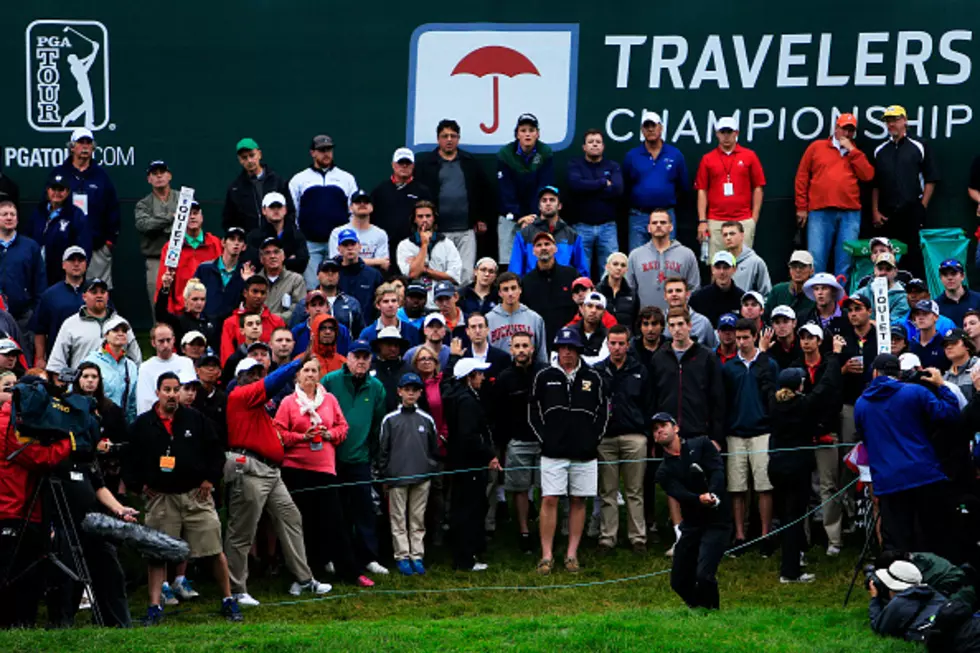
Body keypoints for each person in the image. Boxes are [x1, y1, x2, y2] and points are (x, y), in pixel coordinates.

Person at [124, 372, 242, 624]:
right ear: (157, 393)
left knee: (214, 550)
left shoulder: (195, 419)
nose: (171, 394)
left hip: (195, 496)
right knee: (157, 553)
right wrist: (140, 485)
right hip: (161, 498)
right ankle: (154, 606)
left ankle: (228, 600)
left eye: (175, 389)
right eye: (166, 389)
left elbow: (216, 452)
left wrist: (210, 479)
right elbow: (129, 460)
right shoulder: (142, 425)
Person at [224, 355, 330, 606]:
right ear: (239, 379)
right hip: (249, 467)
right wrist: (297, 363)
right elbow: (272, 383)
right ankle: (236, 589)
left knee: (291, 517)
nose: (258, 377)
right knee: (241, 531)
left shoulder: (258, 408)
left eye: (260, 372)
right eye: (252, 373)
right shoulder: (239, 397)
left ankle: (303, 580)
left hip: (271, 471)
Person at [275, 355, 372, 587]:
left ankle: (348, 571)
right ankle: (308, 573)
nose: (310, 375)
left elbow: (342, 427)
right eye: (305, 371)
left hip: (325, 468)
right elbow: (278, 434)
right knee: (304, 522)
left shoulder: (329, 400)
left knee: (336, 522)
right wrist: (301, 437)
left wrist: (330, 435)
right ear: (297, 375)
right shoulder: (289, 402)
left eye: (314, 371)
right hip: (296, 469)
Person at [854, 353, 960, 555]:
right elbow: (949, 415)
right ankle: (932, 580)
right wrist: (942, 386)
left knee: (897, 542)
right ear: (899, 373)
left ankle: (899, 582)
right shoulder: (915, 392)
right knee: (932, 537)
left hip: (888, 479)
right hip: (923, 473)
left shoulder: (862, 403)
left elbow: (865, 438)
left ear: (875, 373)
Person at [529, 328, 607, 575]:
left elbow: (604, 412)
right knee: (550, 498)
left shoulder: (594, 377)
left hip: (585, 452)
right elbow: (533, 412)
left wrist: (593, 440)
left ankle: (572, 554)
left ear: (578, 351)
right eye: (562, 348)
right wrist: (545, 439)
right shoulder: (544, 376)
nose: (566, 352)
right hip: (553, 452)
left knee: (578, 500)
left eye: (571, 348)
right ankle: (547, 555)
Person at [769, 357, 841, 586]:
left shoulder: (773, 403)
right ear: (799, 385)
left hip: (776, 466)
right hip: (796, 468)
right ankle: (789, 572)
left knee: (786, 516)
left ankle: (795, 557)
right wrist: (834, 358)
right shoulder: (803, 405)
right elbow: (825, 386)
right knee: (794, 518)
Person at [321, 340, 390, 577]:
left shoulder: (376, 387)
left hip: (360, 458)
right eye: (356, 356)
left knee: (364, 510)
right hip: (331, 459)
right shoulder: (330, 381)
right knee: (333, 511)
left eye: (365, 357)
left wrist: (368, 452)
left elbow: (377, 423)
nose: (361, 361)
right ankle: (330, 556)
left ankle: (369, 557)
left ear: (370, 360)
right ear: (347, 358)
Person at [653, 413, 730, 610]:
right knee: (678, 581)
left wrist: (713, 494)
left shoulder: (702, 444)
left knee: (704, 575)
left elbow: (717, 470)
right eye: (655, 429)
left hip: (717, 522)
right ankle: (699, 609)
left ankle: (713, 612)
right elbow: (678, 493)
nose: (659, 430)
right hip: (692, 524)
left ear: (676, 428)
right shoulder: (663, 471)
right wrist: (698, 499)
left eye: (663, 425)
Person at [594, 325, 653, 554]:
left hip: (634, 437)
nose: (617, 348)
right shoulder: (598, 371)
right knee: (607, 491)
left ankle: (638, 537)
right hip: (606, 438)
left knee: (634, 490)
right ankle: (608, 538)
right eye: (613, 343)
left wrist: (646, 433)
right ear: (607, 344)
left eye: (621, 343)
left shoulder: (640, 370)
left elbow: (649, 403)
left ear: (628, 345)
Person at [722, 318, 779, 554]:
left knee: (764, 485)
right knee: (737, 487)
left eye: (746, 337)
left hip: (762, 431)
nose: (742, 342)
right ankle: (739, 535)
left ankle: (765, 535)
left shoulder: (768, 364)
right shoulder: (728, 368)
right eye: (738, 338)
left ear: (755, 337)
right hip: (735, 433)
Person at [794, 113, 875, 276]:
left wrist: (852, 150)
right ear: (836, 129)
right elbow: (802, 176)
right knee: (816, 259)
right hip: (820, 211)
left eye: (850, 130)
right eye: (844, 129)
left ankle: (842, 301)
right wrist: (801, 207)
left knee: (845, 261)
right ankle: (816, 299)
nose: (847, 134)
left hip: (850, 213)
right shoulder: (817, 147)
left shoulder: (856, 153)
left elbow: (868, 176)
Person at [441, 357, 501, 570]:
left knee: (466, 508)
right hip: (469, 464)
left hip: (463, 462)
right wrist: (489, 455)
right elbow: (470, 435)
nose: (483, 378)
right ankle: (464, 558)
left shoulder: (460, 397)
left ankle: (468, 553)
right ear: (469, 377)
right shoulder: (466, 401)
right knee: (468, 510)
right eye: (479, 374)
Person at [415, 119, 494, 276]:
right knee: (440, 271)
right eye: (445, 136)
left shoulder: (470, 163)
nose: (449, 140)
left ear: (458, 138)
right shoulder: (427, 164)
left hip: (466, 230)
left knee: (465, 273)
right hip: (439, 230)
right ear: (438, 139)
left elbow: (484, 192)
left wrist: (481, 218)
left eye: (453, 136)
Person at [793, 325, 846, 555]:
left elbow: (831, 396)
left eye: (810, 337)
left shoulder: (828, 366)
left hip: (826, 432)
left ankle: (834, 539)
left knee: (829, 486)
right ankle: (802, 540)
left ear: (819, 340)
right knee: (802, 488)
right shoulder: (795, 368)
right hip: (803, 435)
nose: (806, 341)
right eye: (802, 337)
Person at [379, 372, 439, 575]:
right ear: (399, 392)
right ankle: (402, 555)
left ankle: (417, 555)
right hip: (397, 477)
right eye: (407, 390)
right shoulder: (390, 419)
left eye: (414, 390)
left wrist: (429, 468)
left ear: (420, 393)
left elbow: (433, 448)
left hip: (421, 477)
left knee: (417, 518)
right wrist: (385, 475)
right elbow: (383, 450)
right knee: (398, 518)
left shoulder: (426, 419)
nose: (410, 394)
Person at [492, 332, 546, 552]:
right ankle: (524, 531)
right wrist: (502, 444)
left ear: (533, 348)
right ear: (511, 349)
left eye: (526, 345)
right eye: (517, 346)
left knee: (546, 490)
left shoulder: (544, 373)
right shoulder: (504, 378)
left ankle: (545, 529)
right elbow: (499, 414)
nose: (522, 350)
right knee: (520, 489)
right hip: (517, 440)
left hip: (544, 441)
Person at [872, 105, 940, 278]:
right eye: (888, 121)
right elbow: (875, 184)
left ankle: (914, 294)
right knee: (887, 259)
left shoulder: (919, 145)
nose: (891, 124)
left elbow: (931, 179)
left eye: (895, 120)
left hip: (911, 211)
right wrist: (875, 211)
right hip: (887, 214)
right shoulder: (880, 150)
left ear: (904, 121)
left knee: (913, 257)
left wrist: (921, 207)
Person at [48, 128, 120, 286]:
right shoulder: (60, 173)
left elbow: (112, 209)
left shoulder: (101, 176)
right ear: (72, 147)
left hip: (96, 247)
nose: (85, 146)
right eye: (81, 143)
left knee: (97, 290)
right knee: (64, 290)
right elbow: (48, 206)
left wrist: (109, 242)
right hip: (64, 246)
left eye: (89, 143)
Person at [867, 560, 980, 651]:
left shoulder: (900, 601)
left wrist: (875, 598)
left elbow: (878, 626)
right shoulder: (931, 592)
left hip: (961, 642)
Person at [694, 117, 766, 257]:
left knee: (743, 263)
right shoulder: (708, 159)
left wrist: (753, 219)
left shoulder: (749, 156)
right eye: (722, 132)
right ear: (717, 134)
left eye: (729, 132)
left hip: (743, 219)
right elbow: (702, 190)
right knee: (717, 264)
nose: (726, 136)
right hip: (715, 220)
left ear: (736, 133)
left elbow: (758, 187)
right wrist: (703, 220)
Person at [622, 112, 689, 250]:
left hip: (666, 215)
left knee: (667, 257)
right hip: (639, 216)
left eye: (653, 125)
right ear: (642, 130)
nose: (650, 129)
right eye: (646, 126)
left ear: (661, 128)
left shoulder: (675, 154)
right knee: (637, 258)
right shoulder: (632, 155)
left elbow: (683, 186)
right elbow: (625, 185)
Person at [47, 278, 141, 375]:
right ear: (84, 296)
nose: (99, 295)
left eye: (103, 292)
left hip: (118, 386)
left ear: (107, 296)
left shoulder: (121, 323)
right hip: (82, 385)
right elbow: (57, 363)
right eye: (94, 292)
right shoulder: (70, 324)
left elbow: (136, 359)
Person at [496, 113, 554, 265]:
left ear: (537, 133)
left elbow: (544, 187)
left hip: (536, 216)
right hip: (510, 216)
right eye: (523, 130)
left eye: (531, 130)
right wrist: (519, 217)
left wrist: (534, 216)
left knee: (536, 261)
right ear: (517, 134)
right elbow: (505, 190)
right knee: (508, 262)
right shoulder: (505, 154)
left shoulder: (545, 153)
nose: (527, 134)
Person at [566, 130, 624, 275]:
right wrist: (603, 183)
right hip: (581, 226)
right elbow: (575, 186)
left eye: (598, 142)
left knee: (611, 271)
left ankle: (609, 298)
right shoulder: (575, 164)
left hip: (607, 227)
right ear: (584, 147)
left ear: (603, 146)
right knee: (581, 271)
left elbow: (617, 190)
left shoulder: (612, 166)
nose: (594, 145)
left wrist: (588, 189)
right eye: (590, 142)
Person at [625, 209, 700, 312]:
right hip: (647, 321)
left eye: (663, 222)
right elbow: (629, 290)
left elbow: (694, 288)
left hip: (677, 321)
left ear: (671, 227)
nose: (659, 225)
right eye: (654, 223)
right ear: (649, 228)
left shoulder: (687, 254)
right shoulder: (635, 255)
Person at [154, 202, 222, 314]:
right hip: (181, 312)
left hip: (211, 311)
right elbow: (163, 283)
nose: (192, 217)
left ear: (202, 217)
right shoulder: (171, 247)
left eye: (195, 213)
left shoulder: (215, 243)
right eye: (187, 214)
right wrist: (170, 314)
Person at [371, 148, 434, 265]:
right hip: (386, 246)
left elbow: (430, 219)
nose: (404, 166)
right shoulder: (380, 190)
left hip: (413, 245)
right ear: (393, 165)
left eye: (408, 163)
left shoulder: (423, 191)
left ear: (413, 166)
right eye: (401, 163)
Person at [29, 171, 91, 291]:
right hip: (38, 272)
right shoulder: (39, 212)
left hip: (63, 274)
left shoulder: (75, 214)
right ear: (48, 190)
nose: (57, 193)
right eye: (53, 189)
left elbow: (84, 246)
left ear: (67, 192)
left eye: (61, 190)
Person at [508, 186, 587, 277]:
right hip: (533, 287)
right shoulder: (524, 234)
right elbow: (515, 271)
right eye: (544, 200)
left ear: (559, 206)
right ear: (539, 206)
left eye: (552, 200)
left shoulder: (572, 235)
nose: (548, 203)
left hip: (563, 287)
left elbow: (582, 271)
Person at [397, 201, 462, 308]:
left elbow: (453, 276)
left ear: (434, 218)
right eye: (420, 216)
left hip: (442, 302)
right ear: (414, 219)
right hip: (416, 303)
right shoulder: (405, 245)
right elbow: (412, 274)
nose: (424, 220)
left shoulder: (447, 244)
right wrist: (424, 245)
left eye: (428, 216)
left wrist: (425, 270)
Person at [31, 246, 88, 369]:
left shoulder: (97, 292)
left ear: (86, 264)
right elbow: (40, 330)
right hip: (59, 358)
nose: (76, 264)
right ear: (63, 265)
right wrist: (40, 358)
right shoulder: (50, 295)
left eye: (80, 260)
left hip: (89, 356)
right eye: (72, 260)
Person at [520, 232, 580, 347]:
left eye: (547, 244)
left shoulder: (571, 275)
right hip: (539, 342)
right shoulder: (526, 282)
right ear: (533, 251)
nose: (543, 248)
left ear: (555, 249)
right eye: (539, 245)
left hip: (569, 341)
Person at [223, 137, 295, 233]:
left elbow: (290, 212)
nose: (249, 160)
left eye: (252, 155)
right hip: (249, 243)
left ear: (259, 154)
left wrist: (284, 234)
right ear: (240, 160)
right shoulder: (235, 189)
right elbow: (229, 220)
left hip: (277, 241)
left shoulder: (277, 181)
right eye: (244, 157)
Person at [0, 201, 46, 339]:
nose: (9, 218)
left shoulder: (30, 247)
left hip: (23, 318)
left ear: (17, 219)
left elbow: (40, 282)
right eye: (4, 214)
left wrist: (35, 313)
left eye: (12, 214)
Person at [135, 160, 177, 311]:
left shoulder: (182, 198)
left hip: (182, 257)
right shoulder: (143, 204)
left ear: (169, 175)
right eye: (154, 174)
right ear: (149, 179)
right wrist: (170, 218)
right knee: (158, 303)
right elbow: (144, 226)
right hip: (156, 259)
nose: (159, 176)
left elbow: (193, 222)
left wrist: (159, 223)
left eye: (162, 173)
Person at [219, 275, 286, 364]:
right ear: (245, 293)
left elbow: (282, 352)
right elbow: (227, 356)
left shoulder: (277, 322)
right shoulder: (230, 322)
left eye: (263, 292)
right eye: (255, 291)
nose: (259, 296)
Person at [82, 318, 138, 424]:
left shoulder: (131, 366)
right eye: (116, 330)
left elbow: (132, 403)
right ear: (106, 335)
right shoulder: (91, 361)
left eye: (124, 331)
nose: (121, 333)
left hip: (121, 426)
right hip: (96, 423)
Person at [291, 259, 364, 339]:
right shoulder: (304, 303)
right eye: (325, 271)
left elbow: (360, 334)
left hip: (344, 349)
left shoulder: (352, 303)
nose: (330, 274)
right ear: (317, 275)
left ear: (339, 275)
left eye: (334, 271)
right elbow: (295, 334)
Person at [486, 271, 548, 364]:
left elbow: (541, 354)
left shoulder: (535, 318)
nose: (510, 293)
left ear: (520, 290)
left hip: (528, 373)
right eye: (505, 289)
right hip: (498, 373)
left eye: (513, 288)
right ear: (500, 293)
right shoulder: (488, 319)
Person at [244, 192, 309, 276]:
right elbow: (253, 263)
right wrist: (288, 260)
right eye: (272, 207)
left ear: (285, 209)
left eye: (279, 206)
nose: (276, 210)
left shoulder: (297, 236)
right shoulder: (253, 237)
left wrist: (268, 260)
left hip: (290, 282)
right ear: (264, 210)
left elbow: (302, 263)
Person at [137, 323, 196, 415]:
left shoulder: (186, 363)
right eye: (161, 341)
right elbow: (144, 402)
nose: (165, 345)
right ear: (153, 343)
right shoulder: (145, 367)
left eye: (168, 340)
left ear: (174, 340)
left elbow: (190, 394)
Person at [327, 192, 389, 274]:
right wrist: (375, 261)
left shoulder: (380, 234)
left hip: (371, 278)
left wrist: (350, 259)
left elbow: (384, 264)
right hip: (344, 277)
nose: (362, 204)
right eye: (358, 202)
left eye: (366, 202)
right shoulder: (338, 232)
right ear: (350, 208)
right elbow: (336, 262)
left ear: (372, 207)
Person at [155, 274, 220, 349]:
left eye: (202, 299)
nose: (199, 303)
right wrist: (165, 288)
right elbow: (160, 314)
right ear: (186, 300)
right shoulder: (179, 321)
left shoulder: (210, 321)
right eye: (195, 299)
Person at [690, 251, 744, 327]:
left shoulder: (742, 298)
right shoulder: (698, 298)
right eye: (718, 267)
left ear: (734, 269)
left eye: (726, 267)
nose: (722, 272)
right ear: (712, 269)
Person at [257, 238, 306, 323]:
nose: (272, 256)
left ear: (283, 256)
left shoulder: (296, 280)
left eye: (276, 252)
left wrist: (272, 319)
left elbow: (299, 309)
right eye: (267, 253)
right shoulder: (255, 281)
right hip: (259, 329)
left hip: (285, 330)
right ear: (261, 259)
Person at [855, 251, 911, 323]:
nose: (883, 273)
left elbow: (894, 324)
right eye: (880, 268)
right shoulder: (864, 292)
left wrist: (866, 322)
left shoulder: (902, 297)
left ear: (895, 272)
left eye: (888, 269)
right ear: (875, 270)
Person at [662, 277, 718, 349]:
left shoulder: (703, 322)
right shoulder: (660, 321)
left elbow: (714, 350)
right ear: (665, 296)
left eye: (678, 291)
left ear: (687, 294)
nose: (674, 294)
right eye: (670, 291)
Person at [765, 251, 816, 322]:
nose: (798, 270)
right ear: (790, 270)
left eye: (802, 266)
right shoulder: (778, 291)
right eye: (794, 266)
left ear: (812, 270)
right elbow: (766, 317)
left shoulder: (815, 294)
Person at [723, 221, 771, 296]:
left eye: (732, 234)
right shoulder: (720, 262)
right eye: (725, 235)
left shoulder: (756, 262)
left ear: (742, 236)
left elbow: (766, 293)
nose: (728, 238)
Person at [908, 299, 951, 372]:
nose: (920, 317)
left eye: (925, 313)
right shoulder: (910, 345)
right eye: (917, 314)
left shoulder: (945, 345)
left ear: (936, 317)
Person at [802, 272, 848, 337]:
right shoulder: (804, 317)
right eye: (816, 289)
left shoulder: (848, 317)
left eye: (824, 288)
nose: (820, 293)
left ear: (834, 291)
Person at [936, 258, 980, 326]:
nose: (949, 278)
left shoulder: (977, 299)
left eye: (953, 273)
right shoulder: (936, 306)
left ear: (962, 276)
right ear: (941, 278)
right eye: (945, 274)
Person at [598, 252, 637, 328]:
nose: (619, 268)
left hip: (627, 337)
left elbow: (635, 321)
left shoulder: (632, 294)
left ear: (626, 270)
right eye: (615, 264)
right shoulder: (597, 291)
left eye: (623, 265)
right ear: (607, 267)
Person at [943, 328, 979, 401]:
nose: (948, 347)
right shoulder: (945, 378)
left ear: (967, 346)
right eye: (945, 345)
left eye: (954, 343)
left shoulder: (978, 366)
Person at [630, 306, 668, 370]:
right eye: (645, 324)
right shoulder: (631, 348)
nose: (650, 329)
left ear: (662, 326)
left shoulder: (670, 347)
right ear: (640, 327)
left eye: (654, 324)